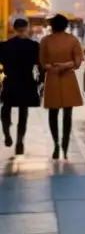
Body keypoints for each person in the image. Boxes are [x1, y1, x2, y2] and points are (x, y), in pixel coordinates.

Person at [39, 14, 85, 160]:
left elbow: (42, 61)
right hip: (68, 78)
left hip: (52, 77)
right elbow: (78, 61)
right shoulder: (73, 40)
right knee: (67, 114)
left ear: (52, 26)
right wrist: (65, 65)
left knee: (53, 114)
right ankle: (65, 144)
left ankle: (56, 144)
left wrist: (52, 67)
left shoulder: (46, 40)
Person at [1, 17, 42, 155]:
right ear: (27, 28)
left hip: (10, 80)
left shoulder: (5, 46)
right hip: (26, 80)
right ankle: (20, 141)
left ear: (13, 28)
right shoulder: (33, 46)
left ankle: (6, 133)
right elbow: (40, 65)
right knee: (23, 113)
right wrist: (40, 81)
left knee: (5, 109)